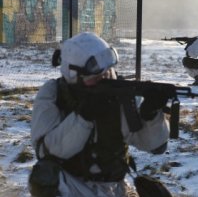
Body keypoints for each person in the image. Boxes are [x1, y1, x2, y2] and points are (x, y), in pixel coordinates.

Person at [30, 32, 171, 197]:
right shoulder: (54, 93)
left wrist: (151, 116)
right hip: (72, 185)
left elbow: (155, 146)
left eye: (108, 72)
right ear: (74, 77)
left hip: (113, 186)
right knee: (44, 177)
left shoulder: (121, 94)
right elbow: (45, 152)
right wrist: (83, 118)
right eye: (96, 77)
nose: (105, 78)